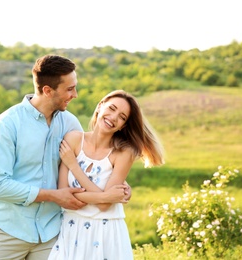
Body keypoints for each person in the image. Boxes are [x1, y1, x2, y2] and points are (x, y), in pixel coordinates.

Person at [0, 55, 131, 260]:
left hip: (52, 233)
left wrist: (119, 184)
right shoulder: (8, 124)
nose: (75, 94)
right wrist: (53, 195)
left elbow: (88, 165)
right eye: (69, 89)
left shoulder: (70, 124)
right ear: (47, 90)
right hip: (9, 231)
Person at [48, 90, 165, 260]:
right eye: (111, 108)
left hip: (106, 233)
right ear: (100, 106)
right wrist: (105, 196)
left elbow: (104, 206)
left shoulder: (124, 153)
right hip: (71, 230)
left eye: (122, 117)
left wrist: (74, 166)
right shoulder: (73, 139)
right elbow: (64, 196)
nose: (114, 117)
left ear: (123, 126)